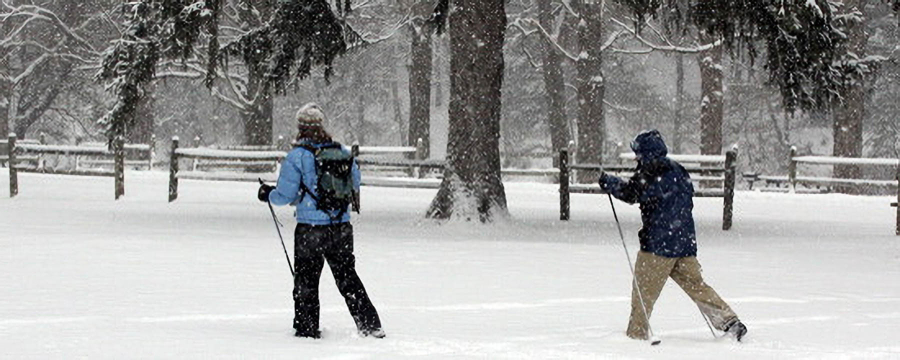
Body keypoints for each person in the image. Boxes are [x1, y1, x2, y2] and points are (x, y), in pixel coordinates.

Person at [598, 129, 747, 342]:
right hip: (685, 244)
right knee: (697, 286)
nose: (636, 157)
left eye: (638, 153)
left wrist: (609, 183)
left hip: (658, 247)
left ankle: (635, 336)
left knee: (643, 294)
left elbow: (631, 193)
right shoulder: (679, 169)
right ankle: (729, 321)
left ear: (646, 153)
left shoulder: (650, 171)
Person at [257, 103, 384, 339]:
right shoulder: (342, 152)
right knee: (348, 278)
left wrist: (268, 194)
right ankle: (370, 325)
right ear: (321, 126)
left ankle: (307, 329)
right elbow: (354, 184)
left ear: (300, 127)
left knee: (306, 279)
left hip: (310, 229)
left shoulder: (297, 157)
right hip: (341, 227)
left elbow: (285, 195)